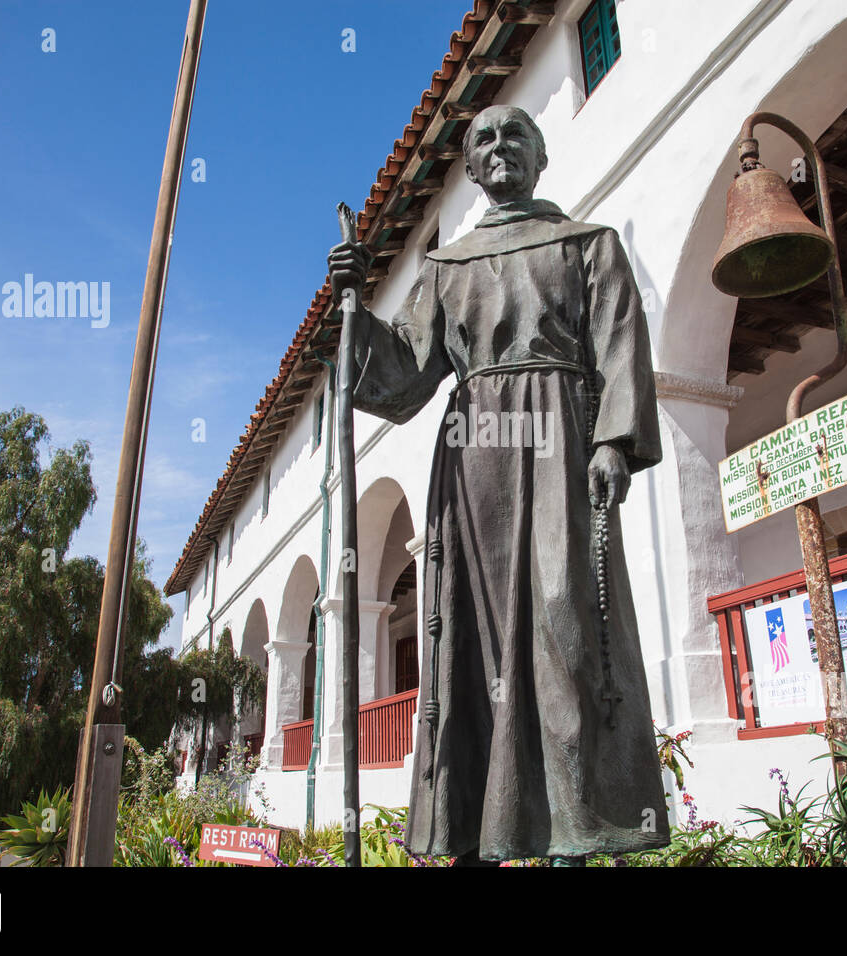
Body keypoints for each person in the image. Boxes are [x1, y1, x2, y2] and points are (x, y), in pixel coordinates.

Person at [327, 105, 668, 865]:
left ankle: (575, 837)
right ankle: (477, 836)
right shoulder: (448, 269)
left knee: (565, 624)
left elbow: (619, 343)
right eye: (483, 140)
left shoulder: (589, 246)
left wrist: (613, 442)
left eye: (515, 133)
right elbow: (402, 376)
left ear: (539, 156)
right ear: (473, 171)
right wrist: (353, 311)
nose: (498, 146)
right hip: (475, 458)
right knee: (473, 640)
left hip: (562, 446)